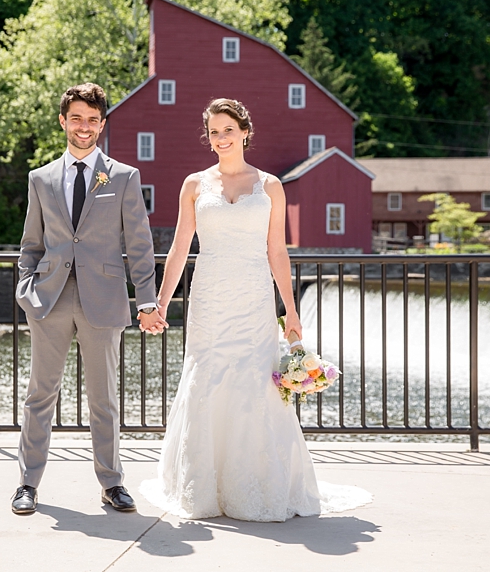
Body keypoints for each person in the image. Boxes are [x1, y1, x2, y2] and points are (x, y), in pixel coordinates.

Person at [140, 99, 371, 521]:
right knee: (206, 379)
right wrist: (160, 302)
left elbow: (276, 251)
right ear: (207, 138)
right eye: (213, 131)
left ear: (245, 131)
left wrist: (292, 310)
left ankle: (260, 483)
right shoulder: (193, 185)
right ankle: (203, 487)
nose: (221, 138)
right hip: (208, 298)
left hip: (253, 298)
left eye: (228, 129)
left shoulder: (269, 186)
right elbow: (178, 250)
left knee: (254, 384)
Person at [13, 83, 167, 515]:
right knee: (40, 395)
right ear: (63, 121)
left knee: (104, 398)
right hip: (49, 300)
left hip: (104, 300)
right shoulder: (40, 178)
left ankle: (112, 483)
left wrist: (146, 301)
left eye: (93, 120)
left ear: (103, 124)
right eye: (77, 118)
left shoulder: (122, 176)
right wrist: (27, 290)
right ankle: (27, 483)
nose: (85, 127)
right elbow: (30, 243)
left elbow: (139, 244)